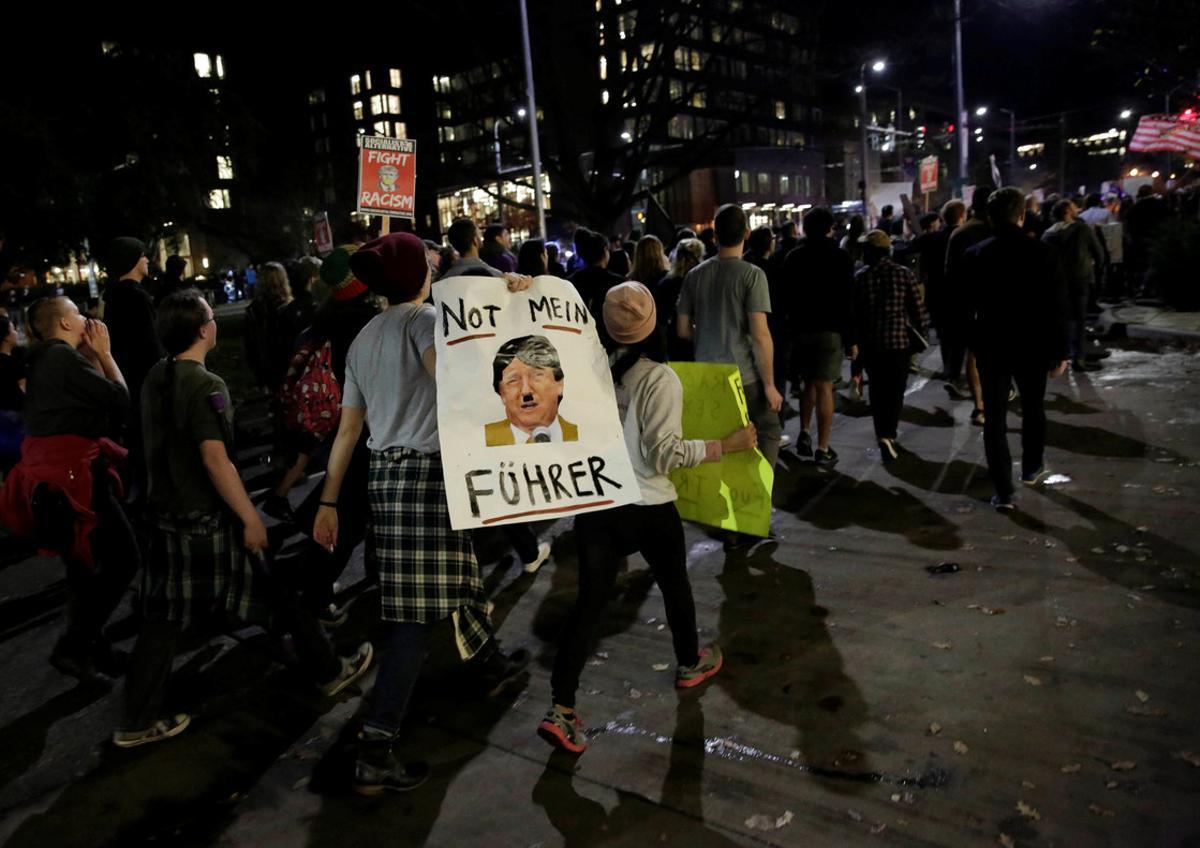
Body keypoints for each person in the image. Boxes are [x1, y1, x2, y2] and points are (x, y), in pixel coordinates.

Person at [313, 233, 531, 794]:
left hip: (387, 479)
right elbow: (455, 384)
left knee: (456, 572)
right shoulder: (425, 322)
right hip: (429, 476)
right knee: (412, 615)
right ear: (420, 277)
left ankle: (489, 663)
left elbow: (348, 431)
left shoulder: (363, 338)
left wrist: (329, 499)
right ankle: (377, 744)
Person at [115, 289, 373, 748]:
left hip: (165, 517)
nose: (215, 322)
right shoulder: (207, 385)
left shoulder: (157, 375)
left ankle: (135, 720)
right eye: (211, 317)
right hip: (207, 520)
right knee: (276, 588)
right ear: (202, 330)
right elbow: (216, 460)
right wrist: (249, 515)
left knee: (161, 621)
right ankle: (329, 669)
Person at [537, 282, 754, 754]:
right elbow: (665, 455)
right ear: (654, 323)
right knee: (675, 586)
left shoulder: (583, 371)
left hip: (598, 504)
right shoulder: (659, 379)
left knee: (589, 606)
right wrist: (727, 445)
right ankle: (689, 662)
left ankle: (561, 708)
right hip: (649, 505)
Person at [0, 296, 133, 684]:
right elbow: (120, 400)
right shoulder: (59, 358)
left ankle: (95, 649)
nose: (86, 317)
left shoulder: (50, 356)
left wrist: (91, 355)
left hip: (54, 479)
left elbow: (90, 398)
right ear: (63, 324)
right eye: (77, 313)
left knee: (83, 570)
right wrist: (107, 355)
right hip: (71, 480)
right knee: (124, 559)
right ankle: (74, 647)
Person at [440, 222, 554, 575]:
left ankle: (489, 554)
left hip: (460, 395)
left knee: (477, 475)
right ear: (475, 240)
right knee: (502, 473)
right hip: (492, 391)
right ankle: (527, 550)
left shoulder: (440, 288)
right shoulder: (496, 279)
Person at [962, 187, 1069, 510]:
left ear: (991, 217)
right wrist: (1060, 350)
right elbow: (1057, 306)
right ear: (1022, 214)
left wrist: (974, 341)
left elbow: (965, 306)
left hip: (992, 343)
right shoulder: (1043, 252)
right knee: (1033, 407)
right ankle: (1032, 467)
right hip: (1033, 343)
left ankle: (1004, 489)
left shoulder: (976, 254)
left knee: (994, 416)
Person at [677, 204, 783, 469]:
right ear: (746, 233)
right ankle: (757, 495)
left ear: (715, 236)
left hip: (705, 374)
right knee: (768, 429)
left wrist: (706, 339)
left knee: (719, 437)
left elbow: (682, 330)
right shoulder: (752, 275)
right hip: (743, 375)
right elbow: (760, 335)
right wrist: (769, 384)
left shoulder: (693, 276)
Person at [783, 207, 857, 466]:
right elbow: (849, 301)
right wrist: (852, 339)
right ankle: (823, 447)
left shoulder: (793, 257)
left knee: (807, 383)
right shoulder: (841, 257)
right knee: (825, 386)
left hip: (801, 329)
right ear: (829, 229)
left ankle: (804, 431)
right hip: (830, 330)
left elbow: (786, 297)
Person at [852, 230, 929, 462]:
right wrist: (921, 334)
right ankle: (889, 434)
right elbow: (918, 311)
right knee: (895, 391)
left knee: (877, 390)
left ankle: (881, 433)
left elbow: (855, 314)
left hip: (872, 344)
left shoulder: (860, 277)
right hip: (899, 345)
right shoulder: (903, 274)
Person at [101, 237, 162, 499]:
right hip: (144, 383)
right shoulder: (135, 296)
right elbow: (150, 344)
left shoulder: (115, 296)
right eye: (142, 255)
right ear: (131, 260)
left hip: (129, 381)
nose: (147, 259)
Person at [944, 188, 992, 424]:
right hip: (1001, 304)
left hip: (969, 303)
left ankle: (980, 405)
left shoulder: (960, 234)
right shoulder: (1003, 230)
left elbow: (950, 274)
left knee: (973, 357)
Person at [1041, 198, 1104, 372]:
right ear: (1069, 211)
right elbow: (1099, 254)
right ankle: (1079, 358)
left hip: (1056, 284)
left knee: (1060, 320)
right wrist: (1096, 270)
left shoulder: (1048, 234)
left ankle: (1060, 357)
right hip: (1080, 280)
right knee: (1080, 319)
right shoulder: (1082, 230)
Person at [484, 335, 578, 446]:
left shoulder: (587, 436)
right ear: (501, 393)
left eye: (537, 376)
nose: (526, 391)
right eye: (513, 380)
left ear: (559, 384)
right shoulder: (479, 439)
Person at [915, 200, 965, 378]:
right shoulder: (964, 236)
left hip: (936, 292)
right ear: (962, 215)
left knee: (944, 334)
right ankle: (955, 371)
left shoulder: (931, 238)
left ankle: (949, 368)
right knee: (959, 335)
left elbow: (905, 249)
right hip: (960, 293)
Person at [568, 229, 625, 349]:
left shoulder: (571, 282)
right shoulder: (619, 283)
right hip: (612, 343)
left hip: (580, 342)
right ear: (605, 251)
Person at [656, 238, 704, 362]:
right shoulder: (702, 282)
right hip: (700, 341)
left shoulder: (665, 284)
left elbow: (660, 318)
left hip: (673, 344)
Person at [0, 314, 26, 472]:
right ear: (6, 337)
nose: (16, 332)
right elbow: (24, 390)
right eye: (13, 329)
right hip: (16, 424)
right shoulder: (14, 364)